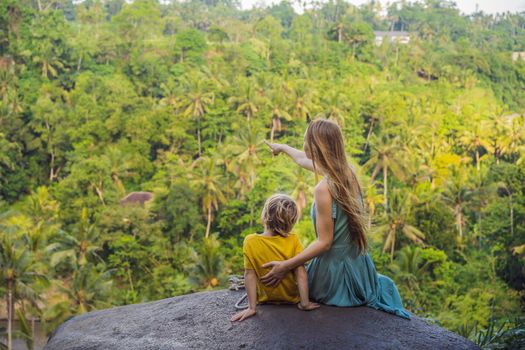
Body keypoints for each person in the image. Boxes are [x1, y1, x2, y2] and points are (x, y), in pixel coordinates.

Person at [262, 119, 411, 319]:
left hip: (335, 276)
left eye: (306, 139)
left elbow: (324, 243)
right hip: (358, 266)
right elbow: (303, 159)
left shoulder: (323, 189)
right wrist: (281, 147)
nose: (303, 143)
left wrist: (286, 266)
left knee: (286, 280)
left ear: (315, 146)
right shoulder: (347, 173)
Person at [230, 194, 320, 322]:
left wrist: (251, 308)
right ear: (291, 222)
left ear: (265, 216)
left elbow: (249, 274)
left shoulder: (250, 241)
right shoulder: (293, 240)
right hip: (291, 299)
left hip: (265, 300)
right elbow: (301, 272)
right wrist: (304, 303)